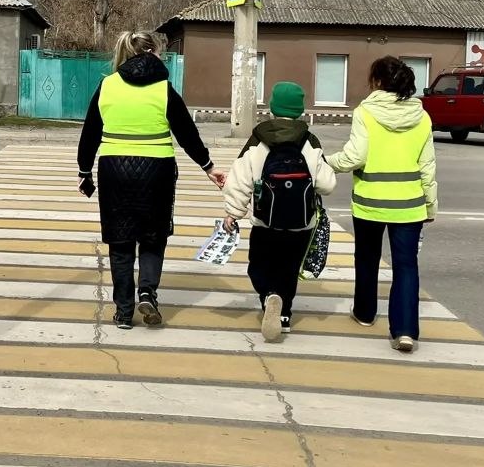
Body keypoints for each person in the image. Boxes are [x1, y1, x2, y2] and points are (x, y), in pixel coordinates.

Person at [77, 31, 224, 330]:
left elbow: (90, 133)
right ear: (151, 54)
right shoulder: (164, 89)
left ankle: (123, 312)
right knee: (153, 237)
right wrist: (208, 166)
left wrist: (84, 172)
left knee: (120, 241)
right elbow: (186, 133)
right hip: (157, 171)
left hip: (114, 170)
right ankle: (147, 293)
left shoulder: (107, 86)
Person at [326, 56, 437, 352]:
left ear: (376, 82)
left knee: (366, 258)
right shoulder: (422, 116)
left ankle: (364, 313)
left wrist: (325, 163)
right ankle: (405, 331)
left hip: (370, 202)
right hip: (409, 204)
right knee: (406, 266)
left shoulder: (366, 112)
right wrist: (430, 205)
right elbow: (427, 166)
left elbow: (355, 157)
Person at [221, 82, 336, 343]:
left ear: (272, 107)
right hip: (301, 223)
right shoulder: (309, 141)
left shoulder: (258, 139)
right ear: (300, 110)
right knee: (289, 267)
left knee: (259, 266)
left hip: (265, 221)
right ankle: (283, 313)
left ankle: (268, 296)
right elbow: (327, 184)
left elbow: (240, 180)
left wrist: (233, 213)